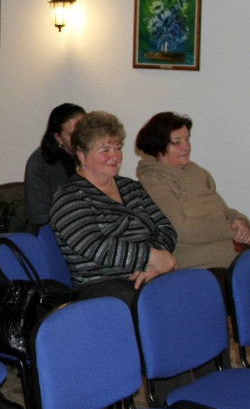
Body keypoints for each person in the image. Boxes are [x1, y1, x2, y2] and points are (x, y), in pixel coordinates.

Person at [50, 111, 178, 306]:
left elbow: (165, 228)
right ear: (82, 156)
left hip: (146, 275)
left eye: (118, 148)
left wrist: (153, 265)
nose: (114, 156)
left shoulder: (131, 187)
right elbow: (95, 246)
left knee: (192, 289)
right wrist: (150, 257)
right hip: (102, 285)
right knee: (163, 303)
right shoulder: (69, 197)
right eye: (105, 150)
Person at [136, 112, 250, 273]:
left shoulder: (196, 171)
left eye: (187, 139)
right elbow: (181, 229)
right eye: (177, 142)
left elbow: (223, 211)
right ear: (158, 148)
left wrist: (239, 220)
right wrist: (233, 231)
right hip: (202, 265)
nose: (186, 147)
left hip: (234, 254)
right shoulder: (153, 180)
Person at [24, 103, 86, 232]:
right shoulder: (39, 163)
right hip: (54, 233)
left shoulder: (96, 155)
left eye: (85, 132)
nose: (81, 139)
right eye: (73, 135)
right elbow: (40, 218)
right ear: (58, 138)